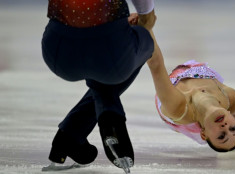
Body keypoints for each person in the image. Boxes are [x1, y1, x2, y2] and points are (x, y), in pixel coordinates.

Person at [41, 0, 156, 172]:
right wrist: (126, 27)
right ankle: (109, 116)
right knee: (144, 41)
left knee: (101, 50)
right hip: (111, 56)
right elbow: (147, 19)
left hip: (58, 54)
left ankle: (69, 138)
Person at [145, 28, 235, 152]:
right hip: (194, 73)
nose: (225, 127)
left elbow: (156, 64)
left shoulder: (177, 108)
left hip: (175, 110)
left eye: (221, 136)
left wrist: (146, 26)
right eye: (233, 128)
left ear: (204, 134)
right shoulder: (229, 98)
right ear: (232, 117)